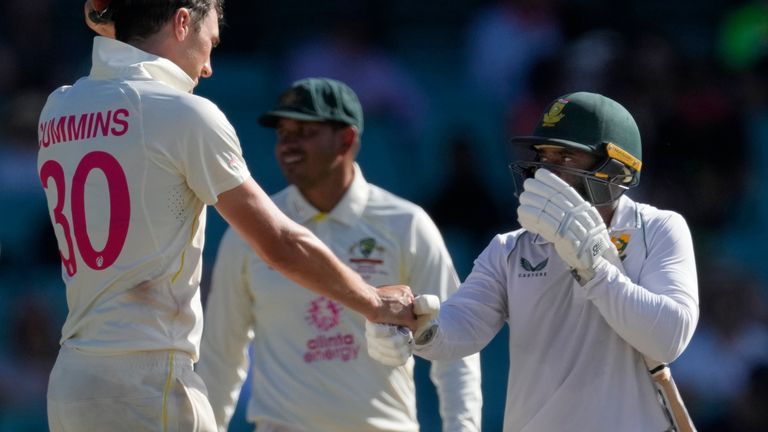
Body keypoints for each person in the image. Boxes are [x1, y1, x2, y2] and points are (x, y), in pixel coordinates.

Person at [39, 3, 415, 431]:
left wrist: (126, 19)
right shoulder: (183, 113)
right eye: (210, 42)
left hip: (72, 382)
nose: (209, 66)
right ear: (182, 22)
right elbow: (279, 243)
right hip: (149, 382)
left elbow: (120, 77)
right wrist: (373, 301)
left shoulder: (59, 107)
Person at [367, 92, 700, 431]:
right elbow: (462, 326)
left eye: (566, 156)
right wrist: (418, 327)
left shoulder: (657, 229)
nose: (547, 171)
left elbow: (667, 339)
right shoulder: (510, 249)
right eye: (543, 155)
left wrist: (593, 264)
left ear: (614, 167)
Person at [197, 77, 482, 432]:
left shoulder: (406, 225)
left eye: (305, 132)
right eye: (283, 133)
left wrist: (463, 427)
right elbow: (221, 356)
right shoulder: (249, 232)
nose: (289, 145)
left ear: (346, 139)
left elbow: (453, 346)